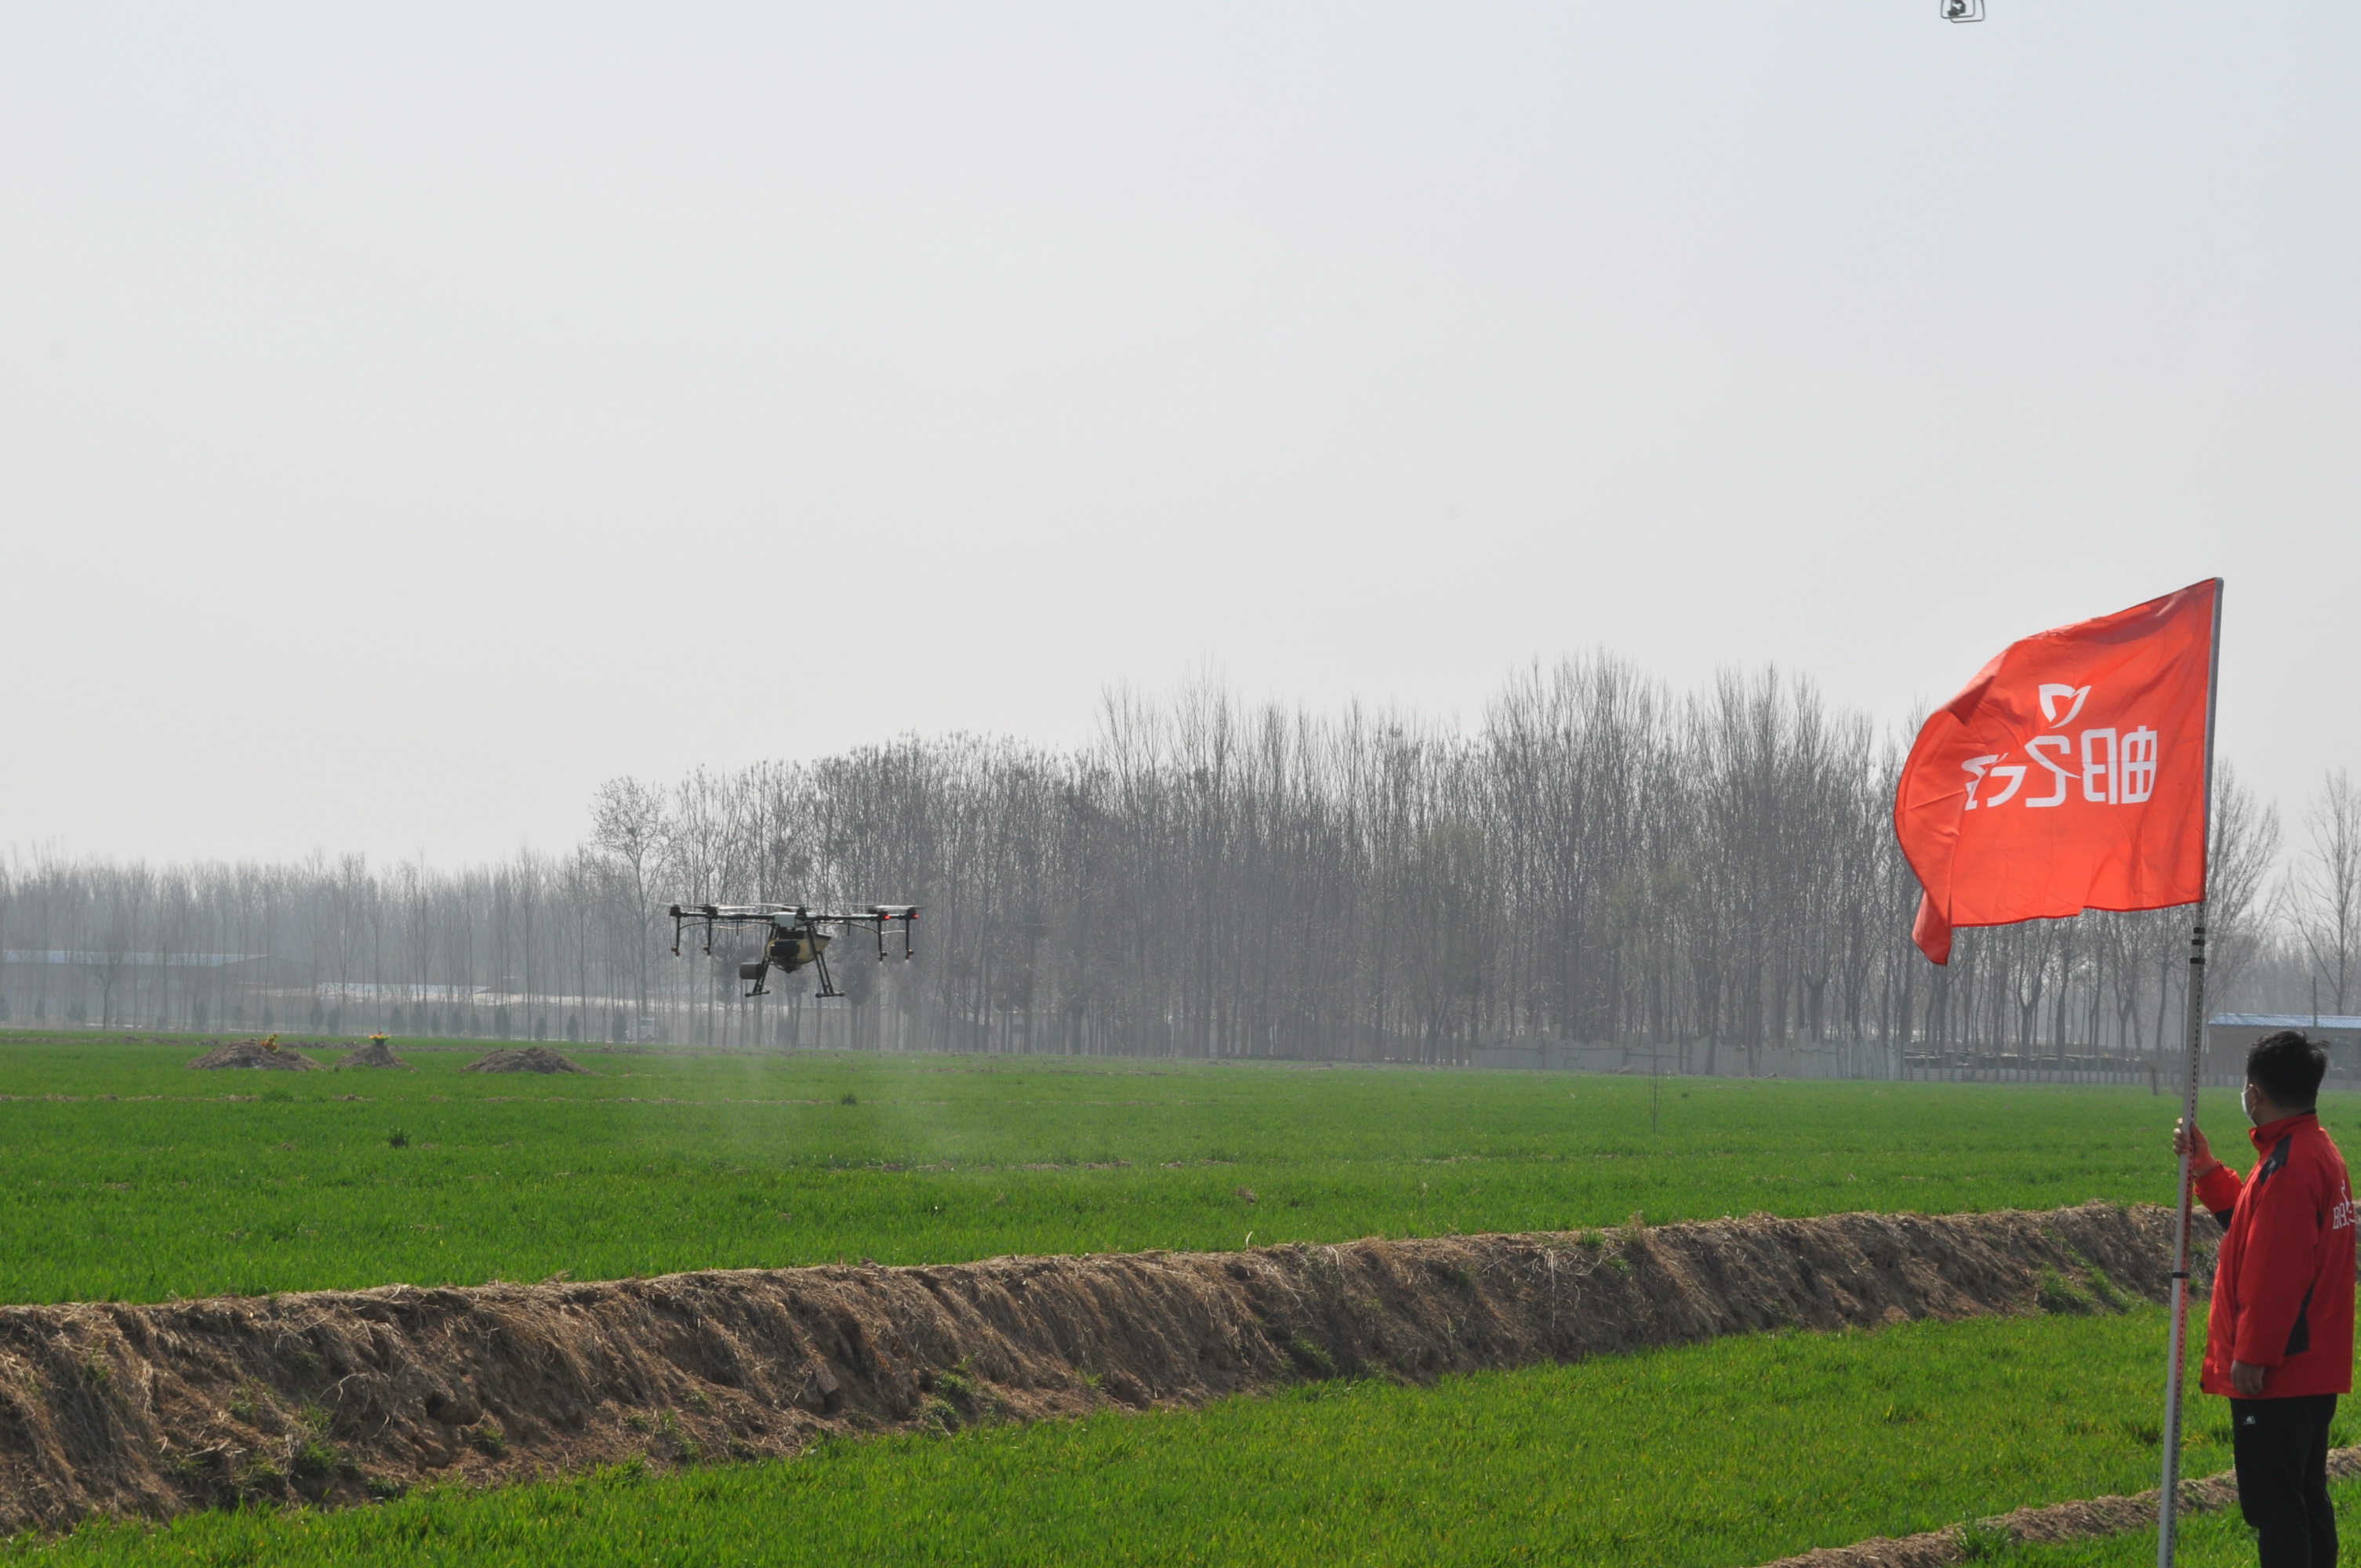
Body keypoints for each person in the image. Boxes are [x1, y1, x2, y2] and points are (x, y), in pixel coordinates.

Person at [2174, 1029, 2356, 1568]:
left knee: (2276, 1510)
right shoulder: (2312, 1152)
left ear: (2255, 1092)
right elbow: (2252, 1225)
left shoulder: (2290, 1167)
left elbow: (2276, 1273)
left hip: (2279, 1372)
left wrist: (2252, 1355)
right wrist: (2207, 1170)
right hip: (2312, 1364)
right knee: (2306, 1499)